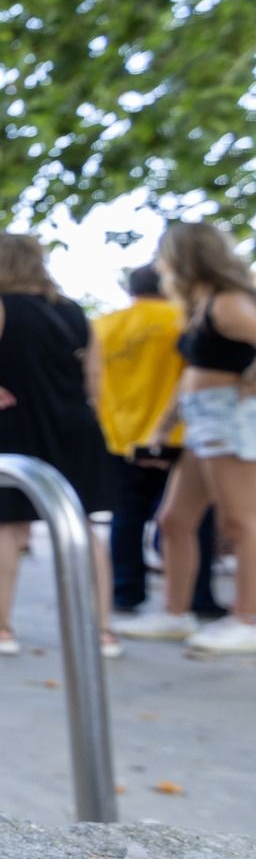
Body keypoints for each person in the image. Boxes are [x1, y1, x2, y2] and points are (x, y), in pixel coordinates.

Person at [0, 234, 121, 658]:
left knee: (7, 526)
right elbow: (95, 381)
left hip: (9, 427)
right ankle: (103, 633)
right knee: (82, 526)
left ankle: (1, 629)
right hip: (73, 426)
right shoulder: (73, 312)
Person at [128, 223, 256, 655]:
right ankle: (175, 612)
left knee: (240, 522)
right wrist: (164, 426)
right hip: (203, 419)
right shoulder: (203, 304)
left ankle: (247, 619)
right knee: (174, 520)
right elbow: (190, 374)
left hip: (230, 417)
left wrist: (250, 383)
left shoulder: (229, 303)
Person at [96, 263, 222, 627]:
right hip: (181, 436)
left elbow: (90, 377)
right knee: (193, 521)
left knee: (126, 517)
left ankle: (126, 591)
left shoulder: (105, 325)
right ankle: (198, 597)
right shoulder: (186, 319)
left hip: (119, 435)